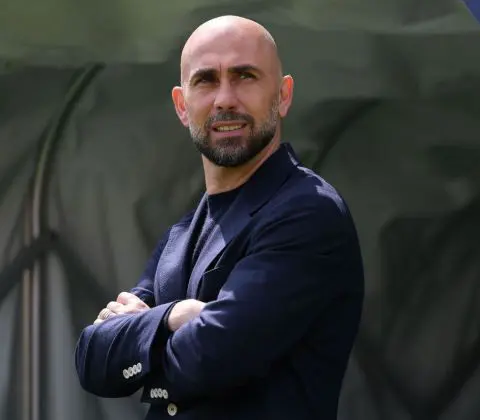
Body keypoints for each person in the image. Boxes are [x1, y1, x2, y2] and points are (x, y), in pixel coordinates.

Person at [73, 14, 365, 420]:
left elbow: (213, 356)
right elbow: (92, 358)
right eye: (206, 79)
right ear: (181, 104)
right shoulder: (182, 233)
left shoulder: (308, 212)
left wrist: (141, 336)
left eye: (245, 76)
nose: (225, 98)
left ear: (283, 96)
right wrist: (176, 314)